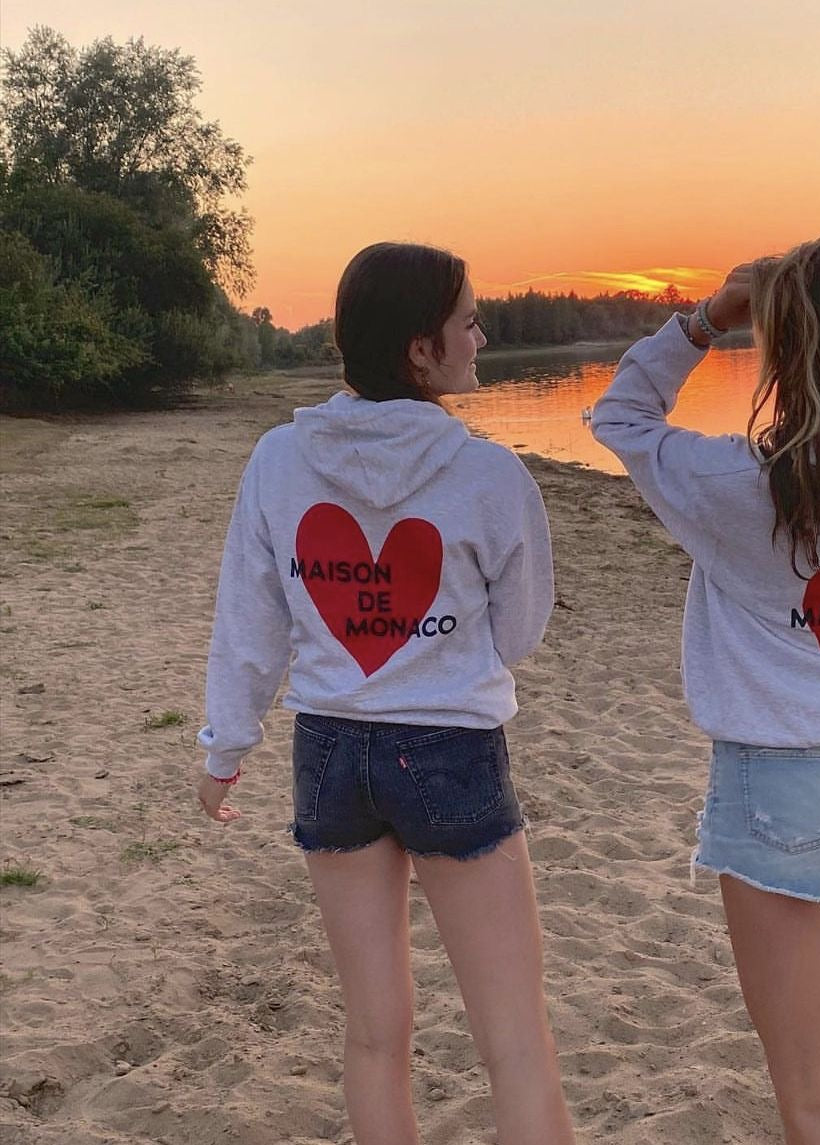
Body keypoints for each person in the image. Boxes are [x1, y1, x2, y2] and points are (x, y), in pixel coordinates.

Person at [195, 242, 576, 1145]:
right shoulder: (489, 475)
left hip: (329, 749)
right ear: (420, 349)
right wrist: (443, 643)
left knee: (373, 1033)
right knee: (514, 1040)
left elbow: (250, 621)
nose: (482, 337)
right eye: (469, 322)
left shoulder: (278, 460)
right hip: (450, 751)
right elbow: (520, 632)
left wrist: (223, 748)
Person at [591, 228, 820, 1145]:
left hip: (782, 783)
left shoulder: (742, 484)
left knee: (812, 1094)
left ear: (790, 346)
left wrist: (706, 318)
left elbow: (621, 416)